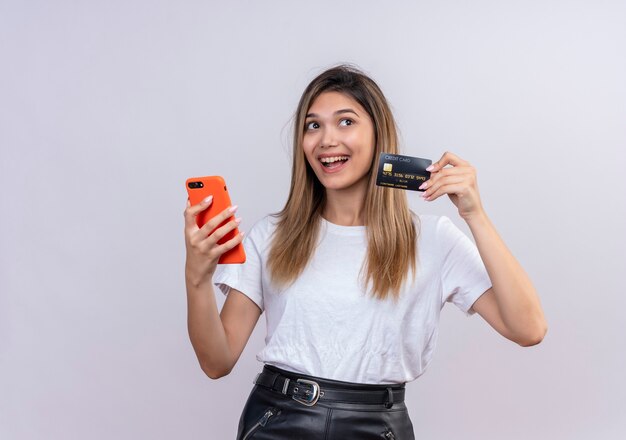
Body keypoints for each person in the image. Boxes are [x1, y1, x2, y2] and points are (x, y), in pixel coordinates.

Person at [183, 64, 547, 439]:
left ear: (377, 134)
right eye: (313, 125)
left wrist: (475, 215)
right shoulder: (273, 235)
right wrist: (197, 277)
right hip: (278, 421)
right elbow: (217, 361)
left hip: (377, 427)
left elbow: (528, 328)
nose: (326, 139)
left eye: (345, 122)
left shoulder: (433, 239)